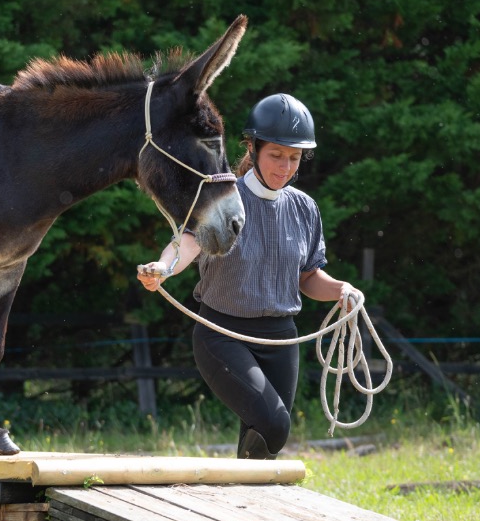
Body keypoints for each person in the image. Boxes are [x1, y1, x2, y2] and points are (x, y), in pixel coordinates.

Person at [137, 93, 361, 460]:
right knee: (275, 424)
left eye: (294, 157)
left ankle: (242, 511)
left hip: (280, 338)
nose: (285, 167)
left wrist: (342, 290)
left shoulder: (304, 208)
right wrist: (162, 269)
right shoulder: (223, 197)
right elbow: (187, 245)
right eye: (276, 155)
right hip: (222, 335)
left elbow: (308, 277)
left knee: (265, 443)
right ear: (253, 149)